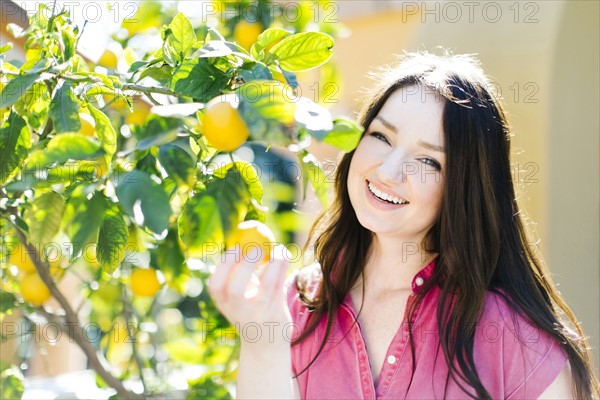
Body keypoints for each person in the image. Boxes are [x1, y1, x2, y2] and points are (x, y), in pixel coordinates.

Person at [208, 51, 600, 399]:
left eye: (429, 161)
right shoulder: (297, 304)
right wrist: (264, 342)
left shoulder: (515, 342)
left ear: (463, 188)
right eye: (380, 136)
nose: (390, 171)